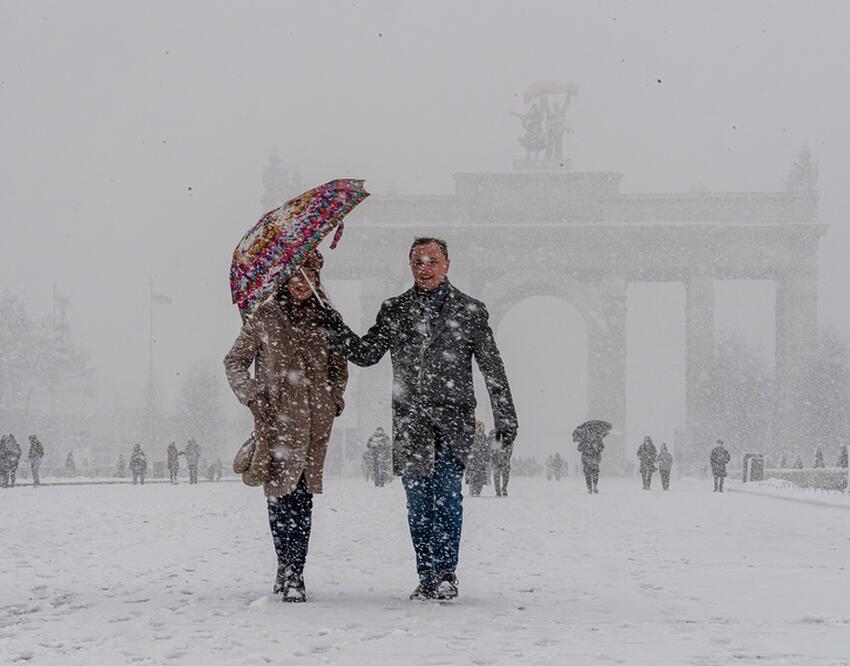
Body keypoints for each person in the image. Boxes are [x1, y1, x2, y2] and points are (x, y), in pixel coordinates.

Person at [320, 237, 518, 601]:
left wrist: (506, 419)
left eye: (432, 260)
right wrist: (333, 324)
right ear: (410, 265)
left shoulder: (470, 310)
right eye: (417, 261)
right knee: (417, 502)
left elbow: (492, 368)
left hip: (454, 420)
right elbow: (366, 354)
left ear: (447, 264)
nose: (424, 267)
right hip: (411, 422)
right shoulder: (394, 309)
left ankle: (445, 573)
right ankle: (426, 573)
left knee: (447, 496)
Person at [224, 259, 348, 603]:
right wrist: (252, 395)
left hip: (314, 422)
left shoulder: (328, 318)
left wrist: (334, 400)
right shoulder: (263, 317)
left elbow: (340, 366)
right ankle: (287, 567)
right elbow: (234, 361)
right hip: (276, 422)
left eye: (308, 275)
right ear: (284, 278)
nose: (300, 282)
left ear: (317, 278)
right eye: (295, 275)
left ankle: (296, 571)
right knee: (279, 499)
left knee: (303, 500)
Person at [465, 421, 490, 497]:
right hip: (474, 459)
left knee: (480, 477)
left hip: (481, 460)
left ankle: (478, 491)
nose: (479, 428)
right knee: (473, 476)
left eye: (480, 426)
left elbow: (486, 447)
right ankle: (473, 491)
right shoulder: (472, 436)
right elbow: (469, 447)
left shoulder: (484, 436)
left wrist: (486, 457)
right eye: (478, 426)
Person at [576, 430, 604, 494]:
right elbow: (579, 449)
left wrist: (596, 448)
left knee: (591, 474)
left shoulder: (587, 440)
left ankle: (591, 487)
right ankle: (593, 486)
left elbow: (601, 448)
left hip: (589, 460)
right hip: (592, 460)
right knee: (592, 474)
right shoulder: (596, 439)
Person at [490, 427, 513, 497]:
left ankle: (503, 489)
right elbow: (491, 447)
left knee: (503, 476)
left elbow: (511, 448)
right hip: (498, 459)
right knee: (498, 476)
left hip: (503, 459)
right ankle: (499, 491)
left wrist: (507, 456)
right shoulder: (493, 434)